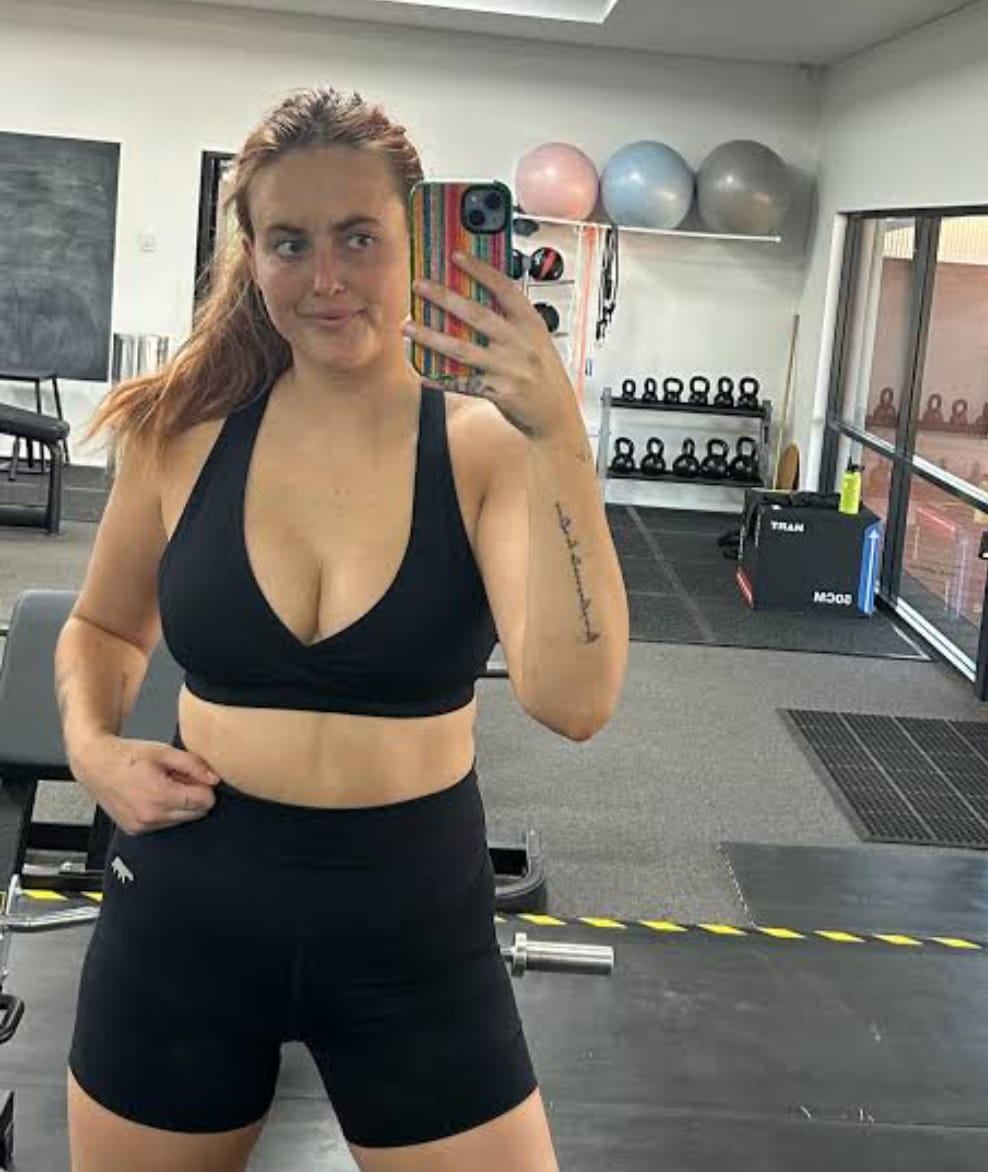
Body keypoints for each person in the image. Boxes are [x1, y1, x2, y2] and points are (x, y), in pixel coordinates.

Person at [54, 86, 629, 1172]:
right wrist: (93, 751)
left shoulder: (485, 446)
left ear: (414, 240)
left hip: (412, 924)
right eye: (291, 242)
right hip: (188, 907)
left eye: (359, 237)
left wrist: (558, 436)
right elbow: (102, 628)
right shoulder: (181, 433)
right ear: (252, 257)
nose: (325, 278)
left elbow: (575, 701)